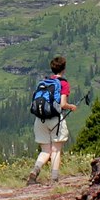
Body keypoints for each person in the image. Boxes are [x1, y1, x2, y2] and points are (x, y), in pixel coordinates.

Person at [27, 55, 78, 184]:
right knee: (55, 150)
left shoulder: (45, 82)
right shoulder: (63, 83)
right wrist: (71, 107)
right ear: (64, 69)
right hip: (55, 119)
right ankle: (54, 179)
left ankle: (35, 170)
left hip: (40, 119)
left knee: (45, 150)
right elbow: (62, 104)